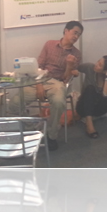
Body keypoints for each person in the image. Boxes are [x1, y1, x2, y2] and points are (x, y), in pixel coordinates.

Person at [34, 21, 83, 151]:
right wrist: (39, 84)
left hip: (57, 83)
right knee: (16, 102)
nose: (76, 37)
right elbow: (38, 67)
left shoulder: (76, 54)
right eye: (75, 33)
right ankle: (29, 132)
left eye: (79, 35)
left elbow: (66, 79)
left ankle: (51, 135)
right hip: (40, 79)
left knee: (59, 102)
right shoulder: (49, 44)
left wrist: (70, 66)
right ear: (66, 31)